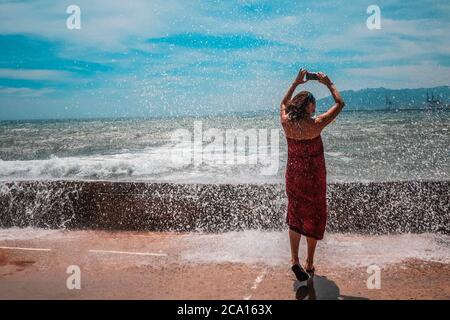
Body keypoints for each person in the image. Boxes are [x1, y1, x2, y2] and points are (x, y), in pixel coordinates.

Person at [280, 69, 345, 281]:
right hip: (314, 178)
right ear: (308, 106)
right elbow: (340, 104)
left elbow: (283, 104)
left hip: (294, 176)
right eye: (313, 103)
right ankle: (309, 262)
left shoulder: (286, 122)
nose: (315, 106)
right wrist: (328, 82)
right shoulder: (316, 124)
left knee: (295, 215)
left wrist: (296, 82)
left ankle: (294, 260)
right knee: (313, 217)